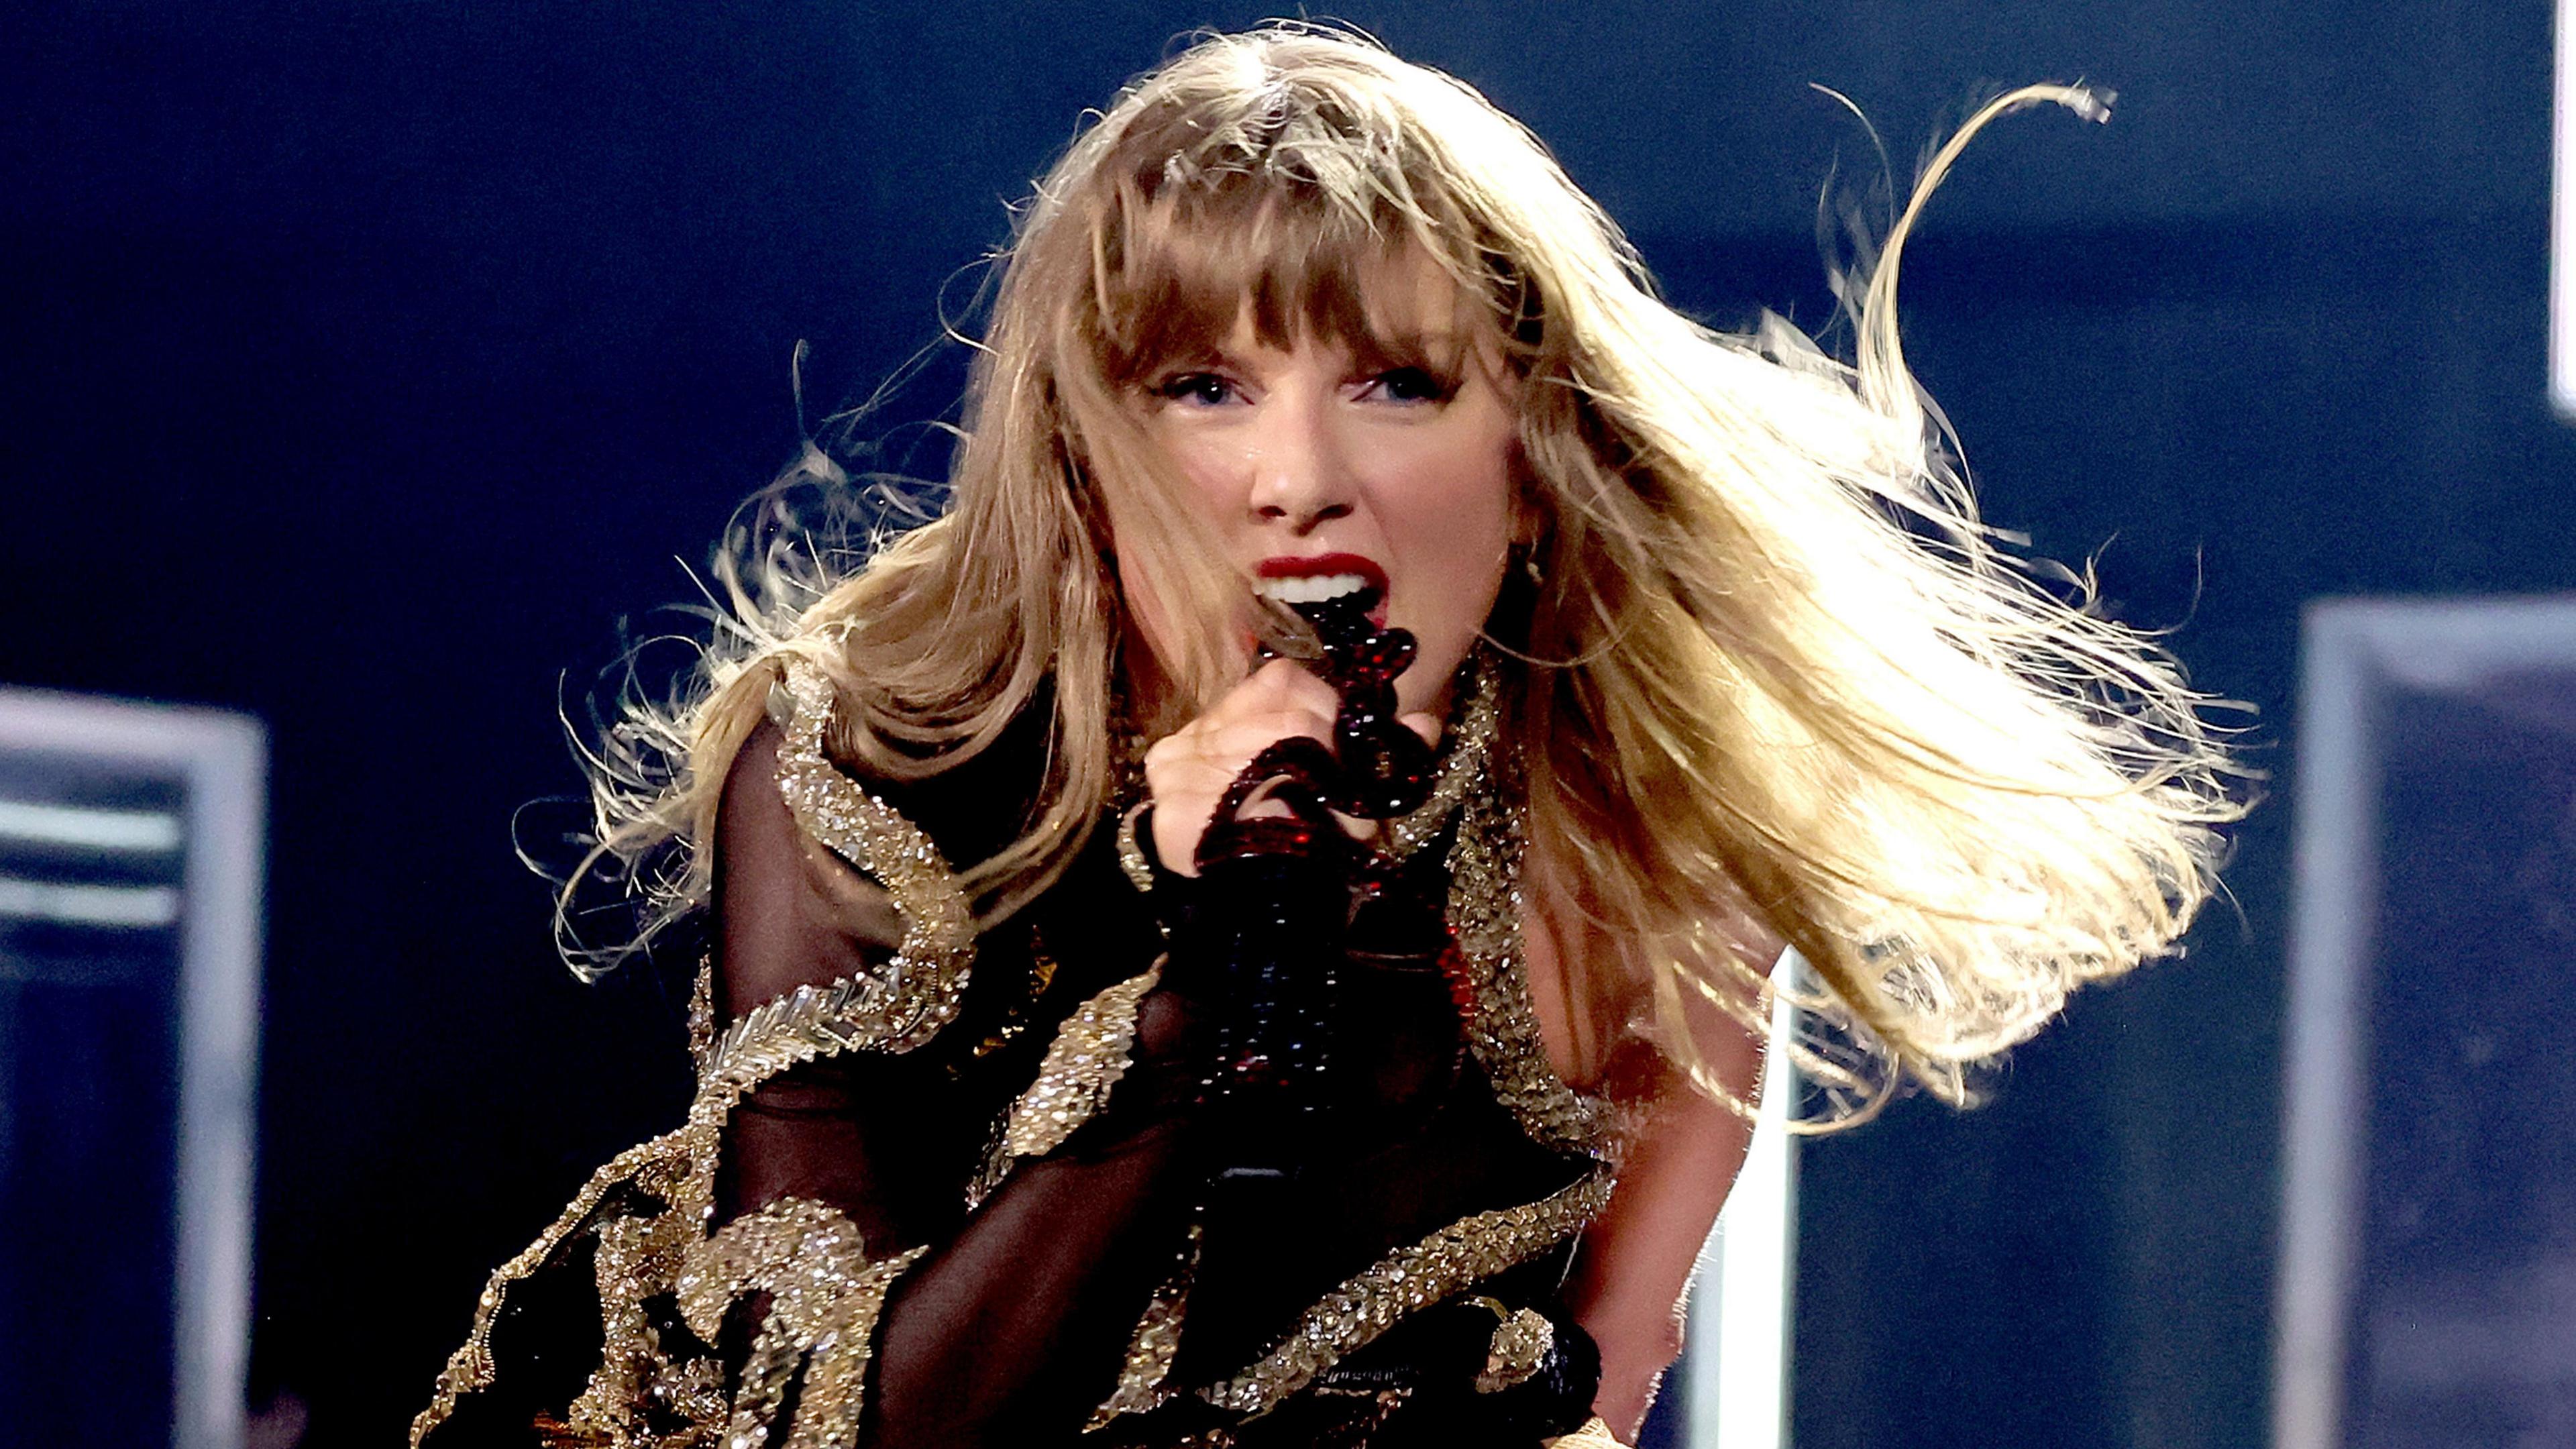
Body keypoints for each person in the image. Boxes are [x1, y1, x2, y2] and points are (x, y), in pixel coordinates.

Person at [411, 25, 2235, 1449]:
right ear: (1085, 455)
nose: (1299, 483)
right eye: (1202, 388)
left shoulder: (1649, 846)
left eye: (1394, 384)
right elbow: (868, 1431)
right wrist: (1199, 1013)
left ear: (1534, 459)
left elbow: (1599, 1382)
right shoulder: (872, 768)